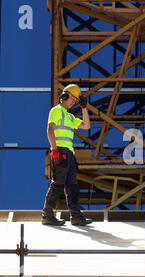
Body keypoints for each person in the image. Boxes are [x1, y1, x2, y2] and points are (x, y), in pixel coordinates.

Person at [41, 84, 92, 226]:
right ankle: (47, 215)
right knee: (57, 184)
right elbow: (50, 130)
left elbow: (86, 125)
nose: (73, 102)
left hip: (69, 154)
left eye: (76, 101)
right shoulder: (56, 111)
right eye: (73, 99)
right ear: (64, 96)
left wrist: (84, 108)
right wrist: (54, 149)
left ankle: (76, 217)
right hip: (60, 152)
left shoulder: (70, 116)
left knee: (72, 186)